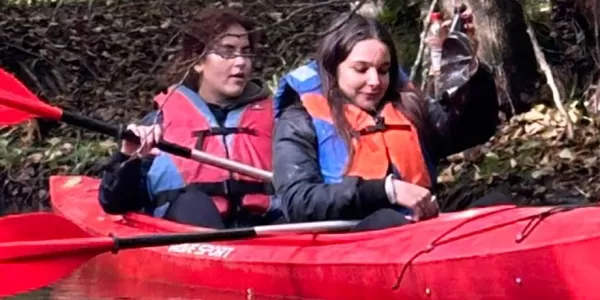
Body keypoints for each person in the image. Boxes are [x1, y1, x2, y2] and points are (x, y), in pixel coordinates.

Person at [272, 12, 513, 231]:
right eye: (361, 69)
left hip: (416, 229)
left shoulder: (405, 105)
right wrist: (387, 190)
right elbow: (297, 202)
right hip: (349, 235)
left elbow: (473, 130)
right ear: (333, 68)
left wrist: (467, 69)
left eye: (384, 69)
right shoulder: (298, 119)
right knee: (386, 220)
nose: (375, 81)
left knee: (500, 206)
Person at [98, 7, 282, 229]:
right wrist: (129, 157)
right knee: (192, 202)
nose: (241, 61)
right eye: (228, 51)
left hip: (268, 234)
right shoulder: (159, 122)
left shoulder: (279, 119)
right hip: (191, 236)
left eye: (246, 52)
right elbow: (116, 204)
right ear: (198, 61)